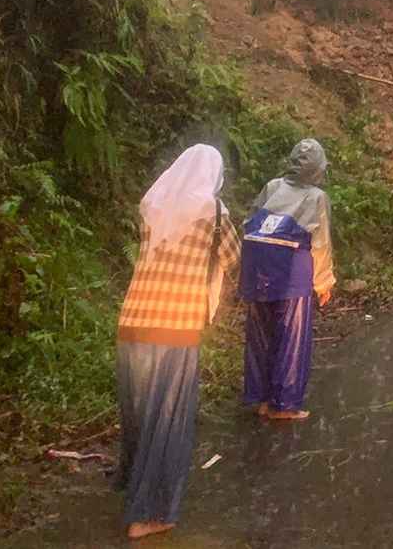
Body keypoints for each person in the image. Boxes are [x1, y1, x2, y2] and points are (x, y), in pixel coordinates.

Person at [114, 144, 241, 541]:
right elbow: (234, 258)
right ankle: (151, 512)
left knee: (139, 412)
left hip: (133, 323)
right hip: (176, 326)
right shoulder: (214, 213)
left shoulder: (152, 205)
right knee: (168, 420)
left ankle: (131, 482)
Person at [240, 138, 336, 421]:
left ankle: (261, 398)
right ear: (319, 168)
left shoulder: (272, 186)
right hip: (292, 272)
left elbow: (250, 221)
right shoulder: (317, 197)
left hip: (258, 269)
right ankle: (285, 404)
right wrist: (323, 283)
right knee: (292, 338)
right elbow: (320, 243)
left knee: (260, 335)